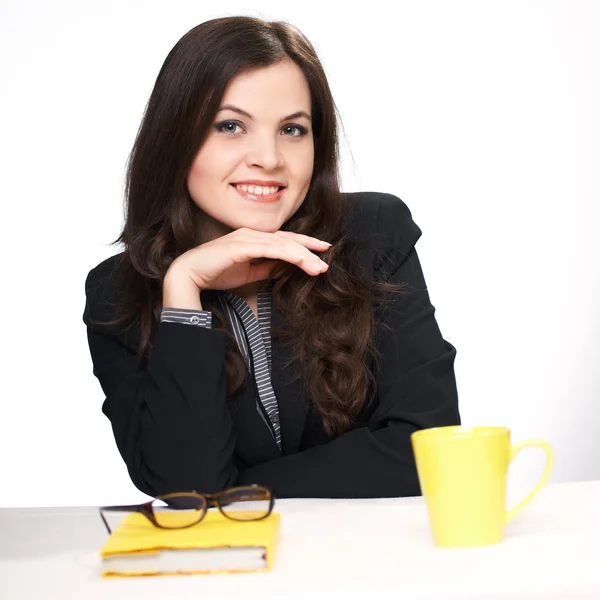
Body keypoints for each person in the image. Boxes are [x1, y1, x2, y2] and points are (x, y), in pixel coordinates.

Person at [83, 16, 460, 500]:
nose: (269, 157)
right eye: (231, 125)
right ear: (176, 138)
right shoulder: (119, 292)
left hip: (370, 558)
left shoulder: (374, 234)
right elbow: (183, 481)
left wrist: (232, 493)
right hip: (226, 574)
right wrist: (184, 288)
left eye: (292, 129)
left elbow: (428, 449)